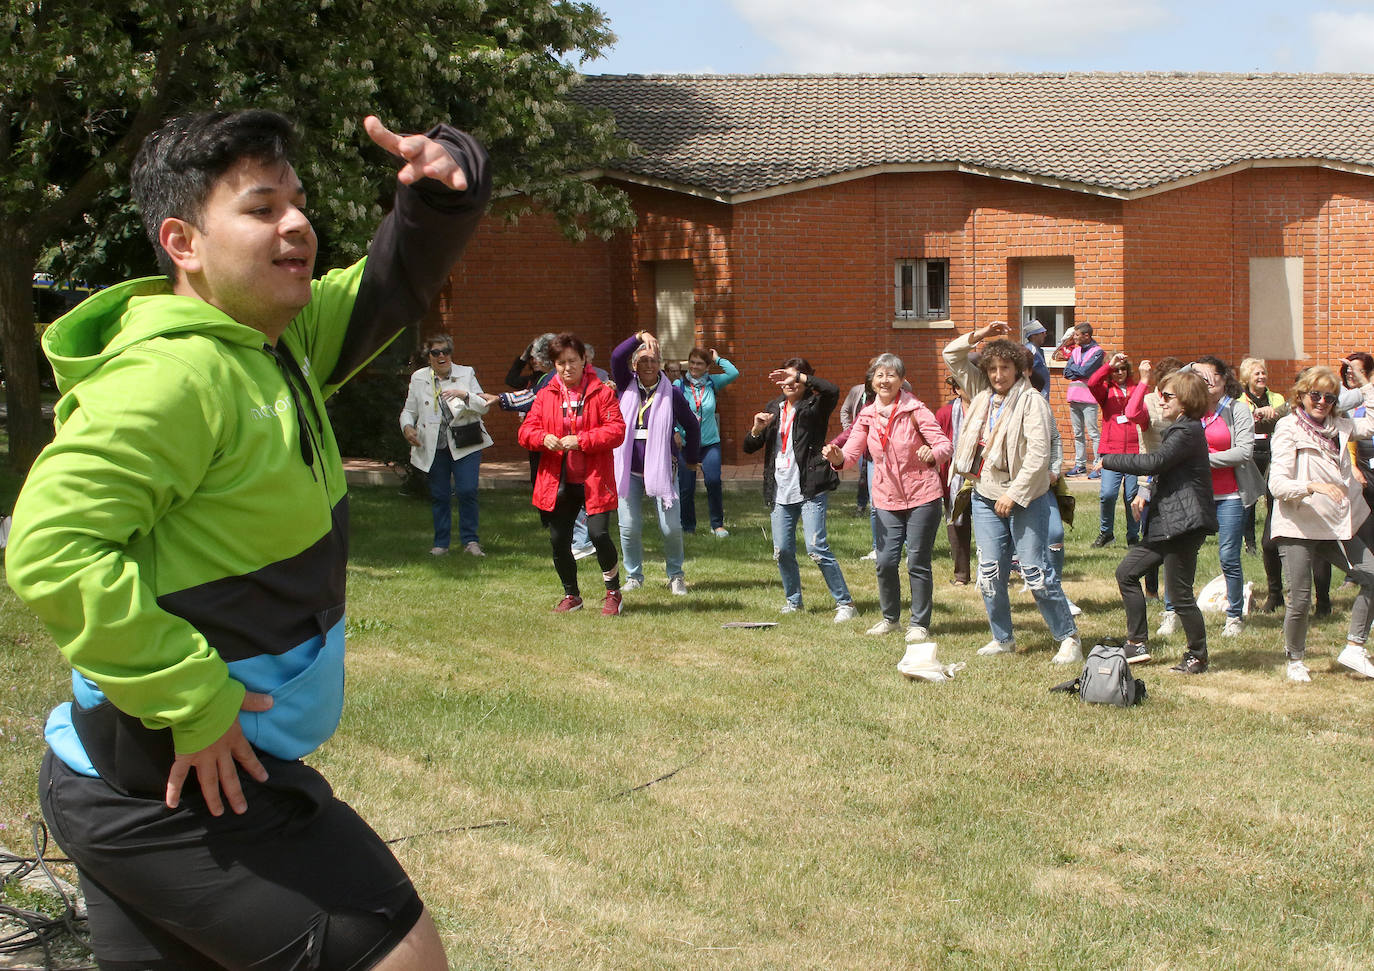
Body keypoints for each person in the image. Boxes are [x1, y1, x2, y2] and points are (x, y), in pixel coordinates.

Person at [5, 110, 489, 969]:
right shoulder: (171, 377)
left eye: (297, 203)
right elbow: (51, 544)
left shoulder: (275, 341)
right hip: (176, 787)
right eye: (262, 208)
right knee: (402, 955)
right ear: (182, 242)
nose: (298, 223)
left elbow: (385, 287)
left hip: (138, 778)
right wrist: (194, 698)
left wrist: (434, 195)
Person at [945, 322, 1082, 663]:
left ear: (1019, 369)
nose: (997, 374)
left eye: (1005, 367)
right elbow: (952, 355)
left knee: (1035, 572)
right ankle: (1002, 638)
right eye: (992, 368)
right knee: (989, 573)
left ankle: (1069, 638)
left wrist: (1015, 494)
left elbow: (1038, 454)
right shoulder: (981, 394)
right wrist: (980, 334)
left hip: (1025, 498)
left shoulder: (1032, 401)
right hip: (984, 495)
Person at [824, 354, 950, 639]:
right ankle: (890, 618)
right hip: (885, 497)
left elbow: (944, 444)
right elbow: (851, 454)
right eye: (879, 375)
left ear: (902, 380)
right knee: (885, 562)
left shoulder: (916, 410)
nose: (885, 380)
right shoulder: (867, 415)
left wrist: (933, 453)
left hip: (923, 496)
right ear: (871, 381)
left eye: (891, 375)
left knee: (917, 562)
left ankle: (919, 624)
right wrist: (837, 456)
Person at [1101, 371, 1218, 673]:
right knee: (1127, 572)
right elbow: (1165, 472)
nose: (1161, 401)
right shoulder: (1180, 430)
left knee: (1179, 595)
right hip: (1167, 524)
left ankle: (1197, 655)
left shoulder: (1187, 431)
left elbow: (1154, 462)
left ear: (1186, 401)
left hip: (1182, 524)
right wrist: (1145, 492)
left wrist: (1109, 459)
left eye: (1168, 396)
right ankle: (1137, 643)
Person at [1268, 362, 1374, 681]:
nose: (1322, 403)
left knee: (1372, 574)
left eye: (1329, 398)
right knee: (1299, 599)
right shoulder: (1288, 428)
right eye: (1316, 395)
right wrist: (1312, 486)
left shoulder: (1341, 425)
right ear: (1302, 395)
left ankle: (1355, 646)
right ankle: (1295, 660)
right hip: (1298, 525)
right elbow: (1277, 485)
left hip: (1336, 524)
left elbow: (1369, 425)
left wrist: (1366, 385)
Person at [517, 333, 627, 615]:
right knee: (559, 540)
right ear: (553, 364)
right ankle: (572, 595)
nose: (567, 368)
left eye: (572, 361)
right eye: (561, 363)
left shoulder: (602, 392)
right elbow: (525, 432)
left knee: (599, 535)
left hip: (594, 478)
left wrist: (582, 440)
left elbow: (616, 431)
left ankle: (613, 593)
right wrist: (543, 438)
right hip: (558, 481)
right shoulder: (545, 395)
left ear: (584, 360)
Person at [746, 359, 859, 622]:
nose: (788, 383)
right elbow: (749, 447)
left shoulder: (815, 405)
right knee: (782, 550)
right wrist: (756, 429)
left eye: (794, 378)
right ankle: (793, 601)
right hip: (780, 490)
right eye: (785, 378)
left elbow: (832, 390)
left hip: (809, 488)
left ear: (805, 380)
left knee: (816, 547)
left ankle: (845, 603)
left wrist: (800, 376)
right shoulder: (773, 407)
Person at [611, 330, 701, 594]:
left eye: (654, 360)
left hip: (663, 470)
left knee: (671, 527)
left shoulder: (671, 394)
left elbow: (692, 427)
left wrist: (692, 460)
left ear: (660, 365)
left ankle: (676, 575)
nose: (649, 365)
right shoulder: (625, 384)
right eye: (643, 360)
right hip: (629, 471)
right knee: (629, 527)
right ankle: (633, 576)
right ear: (635, 365)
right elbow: (617, 355)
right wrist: (639, 337)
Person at [1188, 355, 1264, 637]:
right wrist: (1193, 370)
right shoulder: (1191, 410)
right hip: (1196, 495)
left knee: (1229, 555)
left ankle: (1234, 616)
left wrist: (1202, 459)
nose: (1204, 382)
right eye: (1199, 377)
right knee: (1183, 554)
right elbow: (1176, 376)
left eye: (1210, 377)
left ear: (1224, 379)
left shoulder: (1237, 410)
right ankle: (1174, 610)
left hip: (1230, 494)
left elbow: (1244, 452)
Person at [401, 334, 492, 556]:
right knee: (440, 494)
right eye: (436, 352)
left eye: (445, 352)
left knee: (467, 490)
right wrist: (407, 428)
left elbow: (484, 406)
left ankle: (471, 542)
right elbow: (409, 411)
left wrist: (465, 394)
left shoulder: (466, 373)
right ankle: (441, 544)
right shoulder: (419, 378)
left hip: (466, 443)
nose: (441, 356)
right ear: (429, 356)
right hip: (433, 446)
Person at [1238, 357, 1289, 611]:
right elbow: (1240, 422)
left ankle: (1278, 592)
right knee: (1246, 502)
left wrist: (1271, 414)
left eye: (1264, 373)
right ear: (1247, 377)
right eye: (1257, 374)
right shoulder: (1240, 400)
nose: (1261, 377)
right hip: (1249, 454)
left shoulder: (1277, 398)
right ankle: (1247, 541)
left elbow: (1281, 419)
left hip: (1273, 455)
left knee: (1271, 507)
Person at [676, 346, 739, 537]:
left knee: (713, 482)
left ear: (706, 367)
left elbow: (734, 373)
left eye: (700, 363)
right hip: (687, 445)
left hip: (710, 443)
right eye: (692, 362)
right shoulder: (678, 385)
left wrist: (718, 359)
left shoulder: (712, 383)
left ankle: (717, 525)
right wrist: (675, 431)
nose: (694, 367)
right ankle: (688, 527)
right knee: (686, 487)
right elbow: (669, 411)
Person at [1086, 352, 1141, 547]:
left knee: (1132, 495)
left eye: (1123, 369)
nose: (1119, 373)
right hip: (1111, 450)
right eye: (1116, 370)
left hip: (1135, 450)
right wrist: (1108, 365)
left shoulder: (1137, 388)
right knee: (1108, 493)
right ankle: (1106, 533)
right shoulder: (1106, 390)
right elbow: (1092, 383)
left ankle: (1133, 536)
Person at [1053, 322, 1105, 477]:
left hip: (1089, 398)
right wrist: (1079, 371)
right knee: (1078, 434)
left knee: (1093, 433)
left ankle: (1098, 465)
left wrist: (1078, 370)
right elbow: (1066, 373)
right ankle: (1080, 465)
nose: (1073, 338)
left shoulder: (1098, 352)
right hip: (1074, 398)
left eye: (1076, 335)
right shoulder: (1075, 351)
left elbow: (1085, 370)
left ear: (1086, 335)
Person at [935, 375, 972, 585]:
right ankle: (961, 575)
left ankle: (993, 572)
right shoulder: (945, 414)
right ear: (957, 389)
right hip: (955, 478)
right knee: (957, 525)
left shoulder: (991, 410)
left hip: (986, 477)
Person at [1021, 319, 1051, 397]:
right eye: (1042, 333)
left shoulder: (1038, 350)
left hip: (1042, 394)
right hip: (1034, 395)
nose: (1045, 335)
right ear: (1033, 335)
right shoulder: (1030, 350)